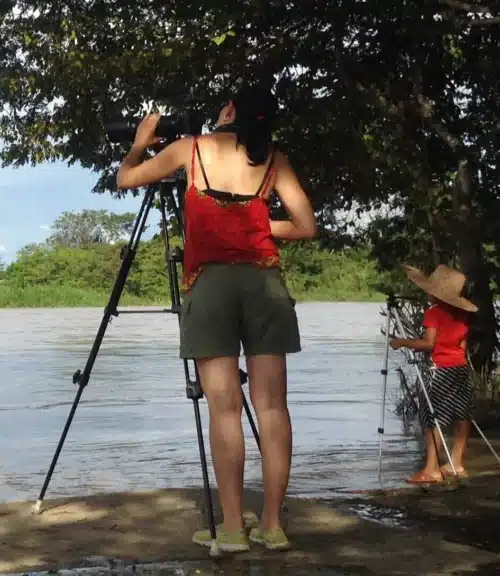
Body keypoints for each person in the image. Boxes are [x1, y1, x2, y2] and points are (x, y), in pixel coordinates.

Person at [115, 85, 316, 553]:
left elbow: (126, 180)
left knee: (224, 407)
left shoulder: (190, 149)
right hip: (266, 285)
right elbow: (305, 226)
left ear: (229, 111)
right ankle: (272, 525)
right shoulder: (274, 159)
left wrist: (142, 141)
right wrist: (257, 225)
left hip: (209, 286)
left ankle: (230, 528)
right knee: (272, 409)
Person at [389, 264, 478, 484]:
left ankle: (431, 469)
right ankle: (456, 462)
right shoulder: (463, 315)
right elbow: (463, 347)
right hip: (460, 367)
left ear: (436, 293)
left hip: (440, 369)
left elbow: (429, 344)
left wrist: (402, 342)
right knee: (462, 414)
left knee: (431, 417)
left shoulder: (434, 313)